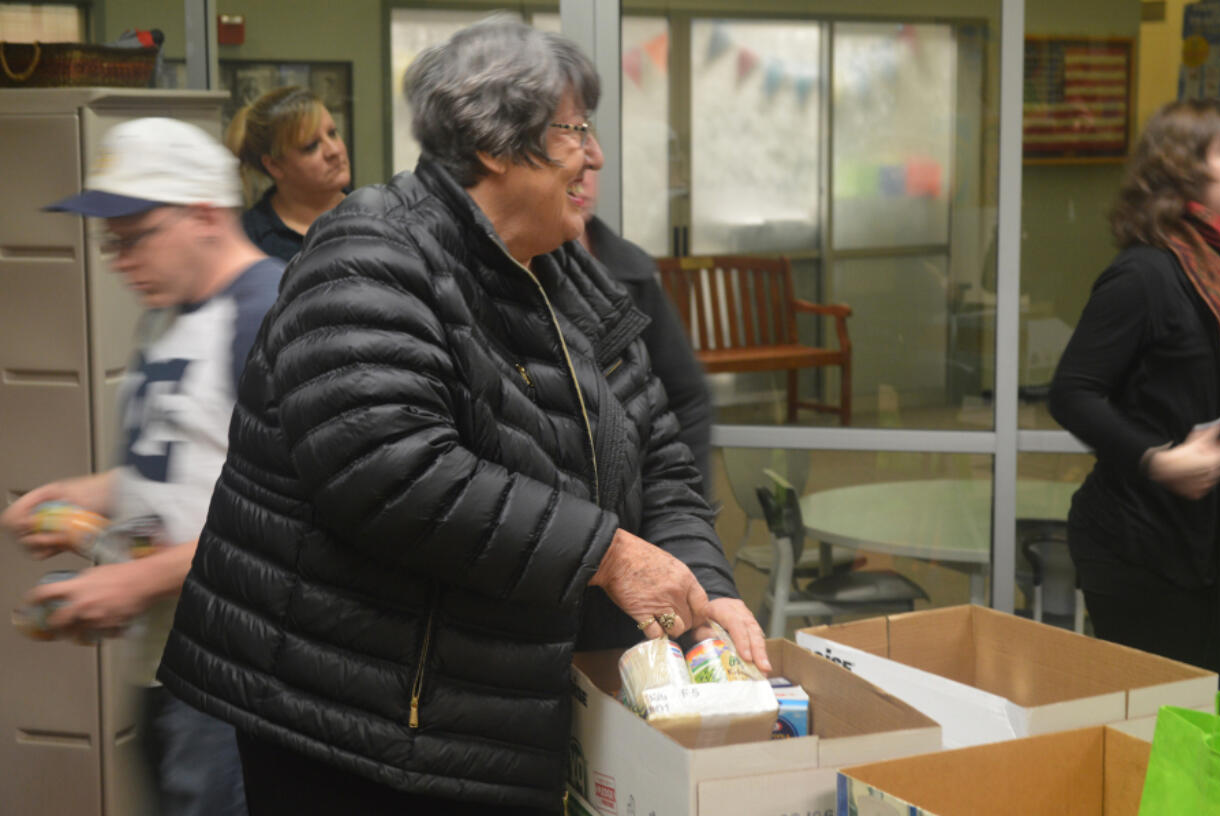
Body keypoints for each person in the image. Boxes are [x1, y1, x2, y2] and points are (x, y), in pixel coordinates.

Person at [157, 17, 768, 815]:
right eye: (575, 129)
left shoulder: (566, 280)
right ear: (493, 143)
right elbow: (386, 469)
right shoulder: (371, 251)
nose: (596, 155)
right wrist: (610, 555)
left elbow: (659, 458)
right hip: (354, 728)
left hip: (477, 721)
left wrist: (706, 590)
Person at [1, 118, 285, 813]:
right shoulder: (166, 313)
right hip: (166, 662)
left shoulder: (267, 315)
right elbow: (185, 467)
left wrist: (135, 582)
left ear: (205, 215)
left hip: (240, 674)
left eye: (135, 236)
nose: (118, 259)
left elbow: (286, 519)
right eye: (111, 241)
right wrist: (87, 495)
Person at [1049, 98, 1220, 688]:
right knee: (1171, 732)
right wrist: (1161, 460)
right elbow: (1073, 392)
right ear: (1184, 172)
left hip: (1208, 551)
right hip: (1144, 550)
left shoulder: (1219, 267)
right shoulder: (1146, 275)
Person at [576, 159, 714, 498]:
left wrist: (687, 507)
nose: (582, 177)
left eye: (589, 168)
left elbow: (688, 397)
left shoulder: (631, 271)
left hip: (637, 507)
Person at [227, 85, 351, 261]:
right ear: (274, 165)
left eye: (332, 133)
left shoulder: (377, 216)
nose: (334, 150)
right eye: (311, 146)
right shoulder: (249, 243)